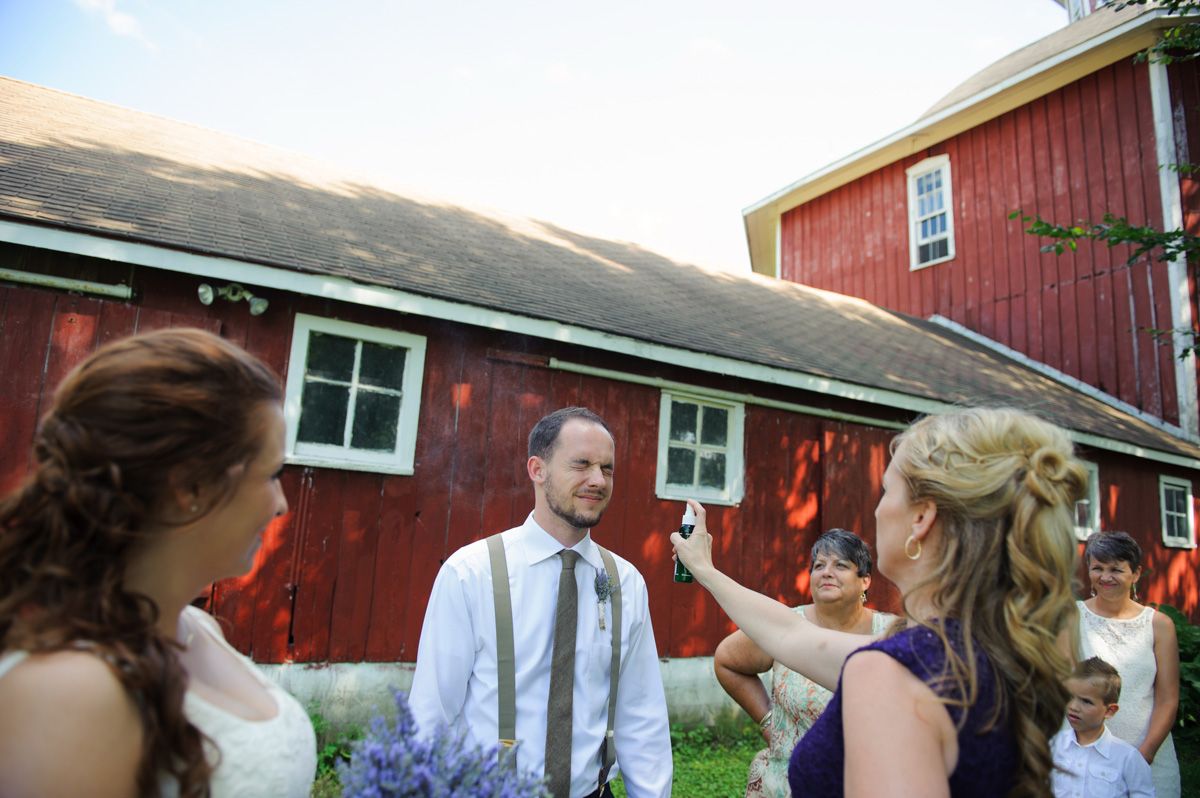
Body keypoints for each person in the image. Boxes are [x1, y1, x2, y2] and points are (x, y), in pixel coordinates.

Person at [673, 407, 1086, 797]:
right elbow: (791, 633)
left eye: (887, 489)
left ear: (921, 519)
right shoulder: (979, 653)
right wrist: (706, 571)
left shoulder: (893, 675)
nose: (877, 507)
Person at [0, 329, 316, 798]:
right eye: (271, 475)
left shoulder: (199, 629)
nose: (281, 505)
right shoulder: (68, 692)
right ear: (189, 488)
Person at [409, 407, 671, 798]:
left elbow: (641, 714)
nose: (597, 480)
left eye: (607, 468)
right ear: (537, 469)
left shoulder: (625, 582)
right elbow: (432, 715)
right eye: (581, 464)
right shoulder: (472, 573)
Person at [714, 528, 895, 798]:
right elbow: (726, 661)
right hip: (788, 785)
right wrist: (769, 724)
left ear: (865, 581)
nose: (826, 572)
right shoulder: (785, 628)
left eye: (841, 565)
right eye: (819, 565)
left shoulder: (891, 634)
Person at [1078, 530, 1180, 797]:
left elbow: (1168, 698)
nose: (1105, 577)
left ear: (1135, 574)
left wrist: (1144, 755)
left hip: (1149, 752)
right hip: (1087, 753)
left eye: (1116, 569)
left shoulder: (1160, 625)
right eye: (1097, 568)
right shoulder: (1071, 617)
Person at [1050, 656, 1154, 798]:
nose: (1073, 706)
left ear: (1109, 711)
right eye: (1069, 697)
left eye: (1086, 701)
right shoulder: (1053, 746)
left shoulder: (1127, 758)